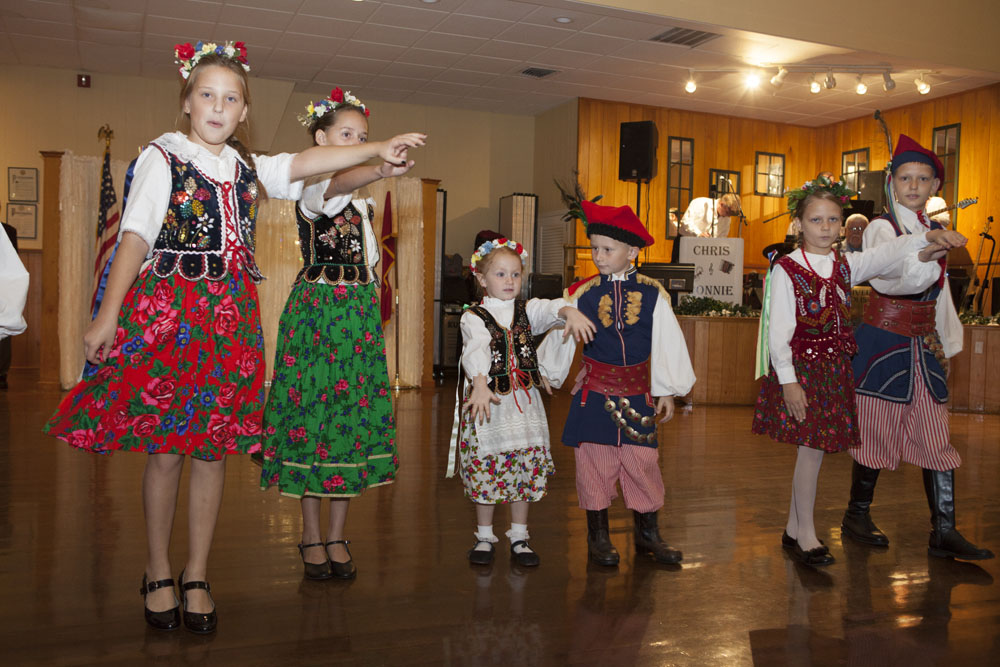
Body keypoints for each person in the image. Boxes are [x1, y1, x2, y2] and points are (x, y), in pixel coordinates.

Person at [42, 41, 426, 634]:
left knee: (212, 452)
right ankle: (158, 569)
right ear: (187, 101)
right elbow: (136, 238)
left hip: (230, 320)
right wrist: (108, 313)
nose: (218, 107)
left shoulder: (249, 167)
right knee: (167, 452)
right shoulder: (163, 157)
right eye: (207, 95)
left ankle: (197, 572)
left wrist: (380, 153)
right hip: (172, 316)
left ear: (244, 110)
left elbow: (305, 166)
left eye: (231, 98)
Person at [752, 175, 966, 566]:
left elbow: (889, 253)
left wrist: (929, 238)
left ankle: (792, 526)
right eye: (816, 220)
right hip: (803, 372)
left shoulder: (844, 264)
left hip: (835, 370)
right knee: (811, 452)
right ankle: (806, 535)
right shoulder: (786, 269)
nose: (826, 228)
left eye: (833, 220)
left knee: (813, 450)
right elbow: (777, 332)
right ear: (798, 224)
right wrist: (788, 382)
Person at [258, 89, 414, 581]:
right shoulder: (314, 190)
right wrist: (377, 161)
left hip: (355, 320)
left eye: (363, 137)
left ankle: (338, 534)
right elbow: (338, 183)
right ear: (322, 139)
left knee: (348, 419)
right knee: (313, 417)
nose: (358, 143)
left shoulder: (364, 211)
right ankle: (309, 533)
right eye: (347, 136)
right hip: (317, 319)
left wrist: (380, 169)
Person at [842, 134, 994, 561]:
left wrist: (948, 340)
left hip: (922, 346)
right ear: (891, 181)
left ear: (934, 187)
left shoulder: (930, 225)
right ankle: (856, 515)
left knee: (936, 435)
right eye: (905, 177)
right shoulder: (880, 228)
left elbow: (939, 295)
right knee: (875, 431)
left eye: (923, 178)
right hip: (883, 344)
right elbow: (892, 280)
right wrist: (929, 252)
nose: (913, 185)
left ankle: (944, 530)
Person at [560, 200, 696, 566]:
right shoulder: (582, 294)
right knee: (594, 464)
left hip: (638, 395)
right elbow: (562, 334)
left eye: (608, 249)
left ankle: (648, 534)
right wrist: (549, 370)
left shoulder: (653, 294)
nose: (599, 256)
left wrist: (666, 388)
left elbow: (667, 340)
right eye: (595, 249)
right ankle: (598, 537)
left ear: (632, 251)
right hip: (594, 394)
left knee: (642, 462)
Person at [453, 237, 594, 567]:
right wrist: (478, 384)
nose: (509, 281)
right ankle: (485, 536)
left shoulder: (526, 310)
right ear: (482, 278)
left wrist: (568, 310)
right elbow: (476, 348)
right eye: (500, 274)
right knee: (488, 468)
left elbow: (548, 308)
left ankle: (519, 535)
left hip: (524, 403)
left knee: (521, 467)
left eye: (515, 274)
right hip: (488, 401)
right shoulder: (473, 315)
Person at [0, 221, 25, 390]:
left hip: (3, 286)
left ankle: (1, 373)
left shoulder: (8, 231)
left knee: (3, 331)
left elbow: (13, 262)